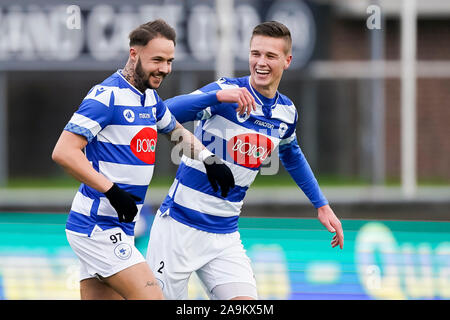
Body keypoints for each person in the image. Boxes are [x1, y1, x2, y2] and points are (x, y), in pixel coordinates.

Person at [146, 21, 344, 300]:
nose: (261, 63)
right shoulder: (226, 92)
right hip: (178, 228)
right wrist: (214, 96)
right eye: (255, 54)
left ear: (287, 61)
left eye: (270, 56)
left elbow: (291, 153)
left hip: (224, 235)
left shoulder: (286, 112)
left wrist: (322, 206)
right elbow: (162, 112)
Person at [51, 19, 234, 300]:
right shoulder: (107, 96)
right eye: (157, 59)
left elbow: (175, 132)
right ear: (134, 54)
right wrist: (110, 190)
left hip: (120, 226)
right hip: (96, 225)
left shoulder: (150, 99)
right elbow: (64, 152)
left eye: (170, 61)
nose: (165, 68)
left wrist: (210, 160)